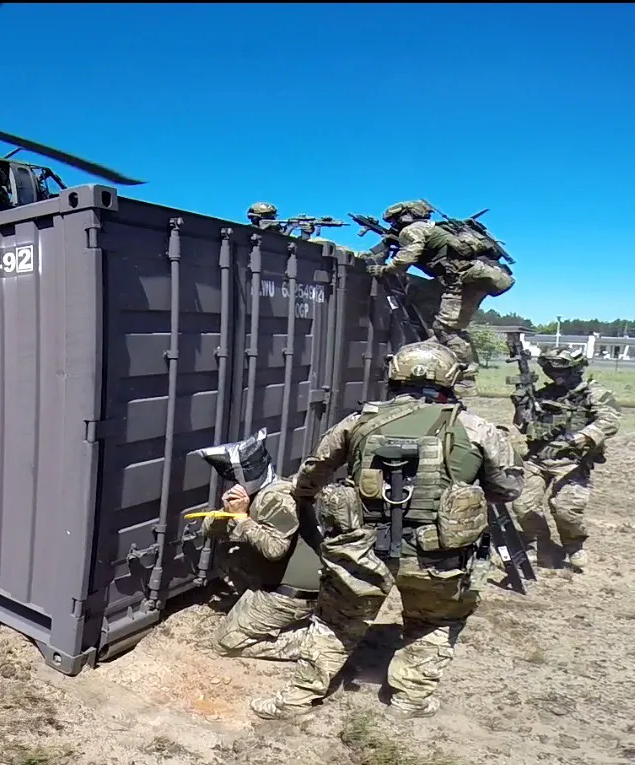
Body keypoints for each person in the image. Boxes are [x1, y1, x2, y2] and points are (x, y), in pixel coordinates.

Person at [250, 340, 522, 721]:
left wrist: (304, 496)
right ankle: (410, 699)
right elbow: (509, 488)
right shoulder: (475, 428)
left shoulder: (358, 421)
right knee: (434, 622)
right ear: (450, 378)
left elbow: (313, 472)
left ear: (395, 375)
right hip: (439, 556)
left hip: (361, 551)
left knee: (335, 624)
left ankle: (294, 700)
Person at [191, 430, 351, 662]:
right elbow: (209, 529)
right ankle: (258, 610)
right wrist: (228, 511)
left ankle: (320, 642)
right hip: (285, 584)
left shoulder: (276, 497)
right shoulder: (258, 493)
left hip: (295, 593)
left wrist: (242, 519)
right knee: (231, 552)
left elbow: (275, 550)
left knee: (225, 643)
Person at [363, 200, 515, 398]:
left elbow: (406, 259)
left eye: (394, 220)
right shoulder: (430, 228)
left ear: (404, 217)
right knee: (444, 327)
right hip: (474, 277)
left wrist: (383, 270)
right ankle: (448, 369)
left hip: (463, 279)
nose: (394, 224)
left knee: (445, 330)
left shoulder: (413, 230)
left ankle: (465, 380)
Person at [510, 346, 621, 570]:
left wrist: (580, 438)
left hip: (572, 462)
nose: (555, 374)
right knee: (522, 505)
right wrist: (521, 404)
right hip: (537, 459)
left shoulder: (593, 393)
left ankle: (573, 545)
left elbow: (610, 420)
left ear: (576, 369)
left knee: (566, 510)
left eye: (561, 370)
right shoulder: (544, 394)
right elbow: (523, 426)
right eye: (550, 370)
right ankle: (539, 544)